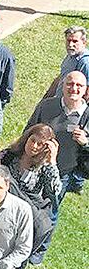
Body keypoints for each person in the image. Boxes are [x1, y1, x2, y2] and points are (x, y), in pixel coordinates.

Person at [0, 124, 61, 269]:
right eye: (33, 140)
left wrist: (52, 161)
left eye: (40, 144)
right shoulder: (9, 156)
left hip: (25, 219)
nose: (34, 146)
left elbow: (55, 193)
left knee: (17, 259)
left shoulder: (44, 168)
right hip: (2, 211)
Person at [26, 70, 89, 212]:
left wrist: (85, 142)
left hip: (62, 173)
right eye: (70, 84)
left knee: (49, 213)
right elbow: (28, 131)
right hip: (35, 166)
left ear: (85, 89)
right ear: (63, 85)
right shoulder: (47, 106)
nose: (74, 88)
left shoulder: (87, 115)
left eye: (79, 85)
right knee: (26, 206)